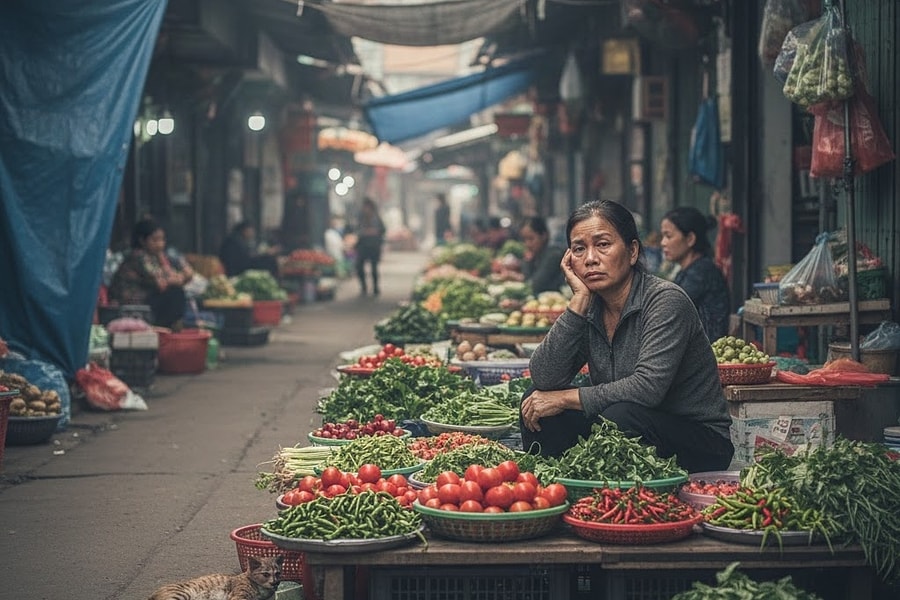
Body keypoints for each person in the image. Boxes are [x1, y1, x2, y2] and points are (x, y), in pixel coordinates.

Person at [519, 199, 734, 473]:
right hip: (626, 421)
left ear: (632, 251)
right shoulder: (592, 304)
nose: (591, 258)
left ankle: (605, 494)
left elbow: (647, 389)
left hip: (698, 441)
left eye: (603, 244)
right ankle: (560, 486)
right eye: (579, 249)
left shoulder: (665, 301)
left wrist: (565, 398)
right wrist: (578, 302)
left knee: (619, 416)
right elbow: (545, 376)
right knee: (535, 399)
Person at [659, 206, 731, 342]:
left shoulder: (701, 272)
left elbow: (668, 310)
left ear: (690, 239)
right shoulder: (688, 271)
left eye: (668, 236)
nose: (663, 243)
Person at [108, 217, 194, 329]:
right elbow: (161, 282)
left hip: (146, 299)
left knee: (176, 293)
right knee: (175, 293)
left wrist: (174, 274)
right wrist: (178, 277)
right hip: (131, 303)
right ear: (142, 241)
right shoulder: (138, 256)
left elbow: (185, 274)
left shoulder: (153, 256)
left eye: (162, 240)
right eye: (155, 240)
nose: (160, 244)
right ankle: (164, 326)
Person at [519, 216, 566, 294]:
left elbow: (534, 285)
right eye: (524, 239)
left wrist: (527, 261)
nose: (527, 244)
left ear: (544, 236)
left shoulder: (553, 255)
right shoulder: (538, 254)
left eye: (531, 239)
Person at [353, 197, 386, 296]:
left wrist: (374, 232)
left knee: (374, 267)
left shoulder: (377, 218)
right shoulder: (360, 217)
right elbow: (356, 229)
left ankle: (375, 287)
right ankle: (364, 287)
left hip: (374, 246)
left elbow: (383, 229)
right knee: (359, 266)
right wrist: (364, 232)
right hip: (363, 245)